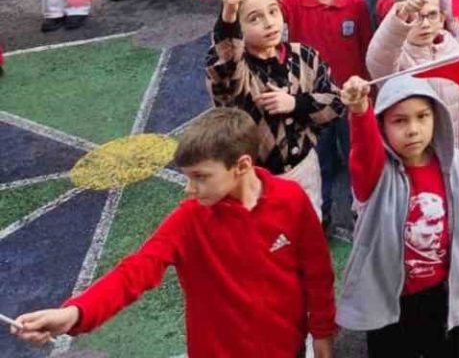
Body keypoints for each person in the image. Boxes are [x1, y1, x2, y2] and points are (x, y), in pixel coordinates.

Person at [6, 108, 336, 357]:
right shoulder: (189, 219)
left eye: (200, 177)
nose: (189, 189)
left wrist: (322, 333)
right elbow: (136, 270)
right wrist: (75, 313)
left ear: (242, 166)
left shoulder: (291, 200)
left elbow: (317, 273)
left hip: (287, 348)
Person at [337, 73, 459, 356]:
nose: (413, 130)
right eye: (399, 121)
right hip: (392, 301)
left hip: (443, 293)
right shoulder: (375, 175)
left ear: (436, 117)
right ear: (381, 125)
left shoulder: (454, 164)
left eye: (422, 116)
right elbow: (364, 150)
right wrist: (360, 110)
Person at [206, 0, 345, 216]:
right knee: (270, 230)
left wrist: (296, 104)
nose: (269, 23)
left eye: (273, 11)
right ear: (239, 30)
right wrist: (228, 16)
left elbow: (336, 103)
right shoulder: (237, 70)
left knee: (310, 217)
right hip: (256, 176)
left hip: (304, 166)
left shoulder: (305, 55)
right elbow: (223, 63)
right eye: (254, 18)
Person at [283, 0, 374, 230]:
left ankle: (362, 213)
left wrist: (369, 92)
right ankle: (320, 215)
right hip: (312, 102)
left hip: (350, 99)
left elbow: (366, 49)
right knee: (318, 162)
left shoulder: (357, 4)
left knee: (356, 158)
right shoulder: (291, 5)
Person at [367, 0, 459, 181]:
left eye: (431, 15)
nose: (424, 24)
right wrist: (401, 14)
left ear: (442, 19)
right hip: (411, 160)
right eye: (415, 17)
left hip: (451, 156)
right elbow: (378, 57)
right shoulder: (397, 60)